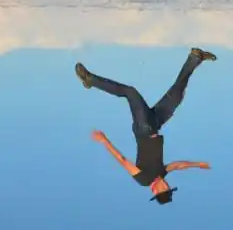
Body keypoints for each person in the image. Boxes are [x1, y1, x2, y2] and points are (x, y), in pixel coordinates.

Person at [74, 47, 217, 204]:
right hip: (156, 123)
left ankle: (90, 80)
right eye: (169, 187)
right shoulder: (162, 173)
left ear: (156, 190)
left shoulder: (143, 179)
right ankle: (195, 58)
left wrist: (105, 141)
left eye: (166, 188)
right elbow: (177, 166)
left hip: (143, 128)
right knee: (176, 95)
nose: (167, 185)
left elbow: (123, 160)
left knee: (130, 92)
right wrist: (198, 164)